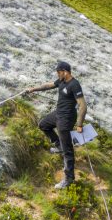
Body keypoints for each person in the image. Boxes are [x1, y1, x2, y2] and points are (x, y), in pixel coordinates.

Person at [24, 61, 87, 189]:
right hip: (58, 114)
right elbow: (49, 85)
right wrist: (33, 89)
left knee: (68, 150)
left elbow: (83, 106)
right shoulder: (61, 81)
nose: (57, 75)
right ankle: (59, 146)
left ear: (65, 72)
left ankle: (69, 179)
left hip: (67, 119)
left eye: (59, 72)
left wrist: (79, 124)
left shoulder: (74, 84)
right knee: (43, 125)